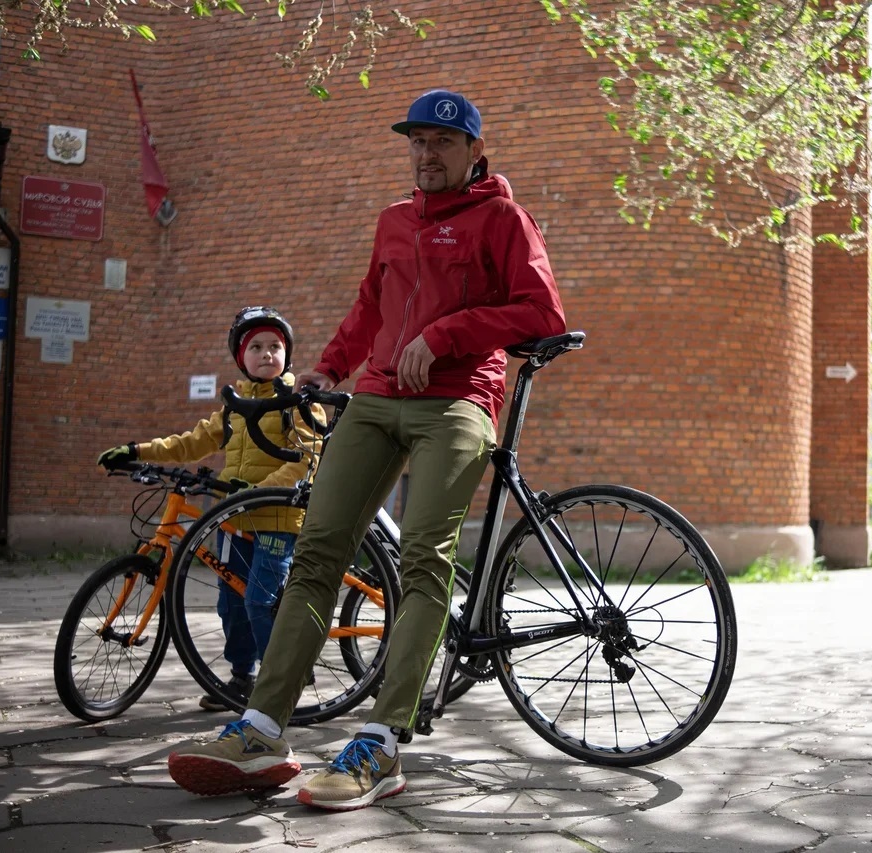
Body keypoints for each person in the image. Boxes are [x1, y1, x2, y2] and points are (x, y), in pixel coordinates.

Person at [166, 89, 567, 811]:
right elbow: (370, 307)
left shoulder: (502, 217)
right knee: (319, 549)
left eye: (442, 142)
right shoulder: (392, 221)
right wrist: (328, 367)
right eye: (416, 141)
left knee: (423, 555)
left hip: (458, 399)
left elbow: (542, 311)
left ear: (476, 151)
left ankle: (380, 742)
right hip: (379, 397)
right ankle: (262, 729)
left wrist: (444, 335)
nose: (425, 153)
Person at [97, 306, 321, 711]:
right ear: (241, 356)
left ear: (288, 354)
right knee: (231, 604)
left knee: (260, 600)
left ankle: (283, 680)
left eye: (275, 346)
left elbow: (305, 460)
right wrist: (136, 451)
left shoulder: (297, 403)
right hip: (233, 523)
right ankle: (241, 679)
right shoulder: (234, 407)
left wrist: (255, 491)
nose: (267, 354)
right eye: (256, 347)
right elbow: (190, 443)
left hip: (276, 520)